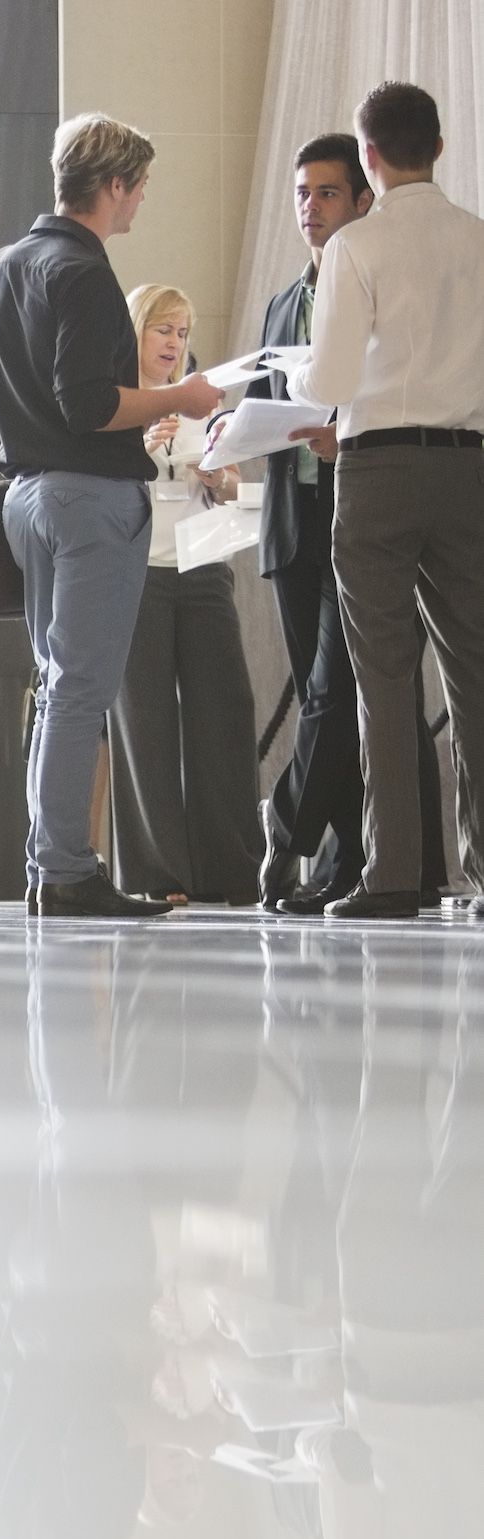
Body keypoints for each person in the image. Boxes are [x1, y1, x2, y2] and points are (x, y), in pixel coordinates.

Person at [0, 114, 222, 919]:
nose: (143, 201)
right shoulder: (82, 269)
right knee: (81, 690)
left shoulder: (8, 263)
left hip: (27, 497)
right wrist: (181, 398)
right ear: (114, 184)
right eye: (141, 186)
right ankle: (64, 870)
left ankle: (50, 864)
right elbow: (87, 405)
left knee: (56, 690)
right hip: (88, 497)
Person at [290, 82, 484, 921]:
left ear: (368, 157)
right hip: (469, 466)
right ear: (439, 147)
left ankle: (396, 874)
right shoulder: (480, 240)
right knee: (475, 673)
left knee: (382, 674)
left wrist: (292, 376)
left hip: (376, 471)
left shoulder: (356, 248)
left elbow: (329, 381)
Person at [241, 133, 445, 915]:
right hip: (293, 522)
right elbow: (268, 393)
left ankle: (285, 835)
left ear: (364, 200)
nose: (310, 209)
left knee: (340, 696)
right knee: (350, 702)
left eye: (327, 193)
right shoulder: (285, 298)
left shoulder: (382, 282)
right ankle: (380, 863)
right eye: (301, 194)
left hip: (365, 509)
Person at [104, 285, 258, 906]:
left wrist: (217, 475)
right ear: (136, 333)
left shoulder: (203, 403)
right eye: (162, 330)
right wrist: (138, 450)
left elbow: (234, 491)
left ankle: (234, 871)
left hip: (203, 568)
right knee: (144, 722)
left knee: (226, 713)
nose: (173, 343)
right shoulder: (114, 405)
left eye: (183, 333)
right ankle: (156, 877)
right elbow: (95, 488)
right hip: (137, 572)